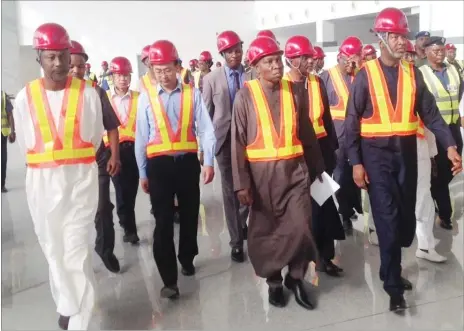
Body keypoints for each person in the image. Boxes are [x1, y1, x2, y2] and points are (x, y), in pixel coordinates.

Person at [345, 8, 461, 311]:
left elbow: (432, 115)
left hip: (406, 156)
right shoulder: (365, 75)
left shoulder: (413, 74)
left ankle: (389, 269)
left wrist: (449, 145)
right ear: (382, 38)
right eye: (395, 36)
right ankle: (394, 286)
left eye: (403, 36)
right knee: (386, 217)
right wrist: (356, 162)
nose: (400, 41)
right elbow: (351, 121)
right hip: (376, 157)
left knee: (405, 220)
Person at [14, 23, 104, 330]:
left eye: (63, 56)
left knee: (76, 250)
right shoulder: (25, 98)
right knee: (54, 251)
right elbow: (26, 138)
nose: (58, 63)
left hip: (79, 182)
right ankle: (67, 304)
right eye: (51, 57)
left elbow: (93, 138)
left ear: (70, 56)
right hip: (42, 186)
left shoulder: (88, 94)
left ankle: (78, 321)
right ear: (39, 57)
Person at [232, 36, 324, 309]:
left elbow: (307, 133)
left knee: (301, 226)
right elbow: (236, 143)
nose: (276, 66)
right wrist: (241, 183)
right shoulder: (244, 95)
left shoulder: (295, 91)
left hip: (295, 173)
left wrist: (318, 169)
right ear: (256, 66)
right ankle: (273, 282)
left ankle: (295, 278)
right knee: (267, 233)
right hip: (261, 180)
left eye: (277, 60)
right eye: (268, 62)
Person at [134, 40, 216, 299]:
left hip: (187, 163)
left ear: (178, 67)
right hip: (158, 166)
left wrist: (210, 161)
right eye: (157, 70)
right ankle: (169, 278)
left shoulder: (193, 93)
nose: (163, 75)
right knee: (163, 221)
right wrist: (142, 172)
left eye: (167, 69)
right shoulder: (146, 98)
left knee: (191, 214)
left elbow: (206, 129)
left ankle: (187, 256)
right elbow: (141, 137)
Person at [284, 35, 345, 276]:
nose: (311, 61)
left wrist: (331, 151)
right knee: (302, 211)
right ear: (291, 60)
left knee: (324, 205)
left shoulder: (317, 83)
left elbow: (326, 120)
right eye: (304, 57)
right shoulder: (284, 86)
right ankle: (300, 262)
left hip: (320, 154)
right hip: (297, 156)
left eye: (311, 57)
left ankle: (324, 257)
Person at [69, 40, 122, 273]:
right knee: (73, 214)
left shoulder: (96, 91)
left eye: (80, 66)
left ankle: (105, 248)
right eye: (71, 65)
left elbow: (111, 126)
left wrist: (115, 156)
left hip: (97, 159)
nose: (75, 70)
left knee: (102, 207)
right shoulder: (57, 96)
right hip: (68, 165)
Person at [202, 30, 250, 263]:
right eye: (230, 51)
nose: (235, 54)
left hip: (251, 140)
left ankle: (241, 223)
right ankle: (236, 241)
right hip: (224, 141)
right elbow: (206, 116)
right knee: (230, 191)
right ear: (222, 53)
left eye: (238, 49)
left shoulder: (251, 76)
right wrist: (206, 150)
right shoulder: (211, 79)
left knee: (249, 186)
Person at [320, 36, 364, 234]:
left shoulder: (360, 76)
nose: (352, 64)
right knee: (335, 176)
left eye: (356, 60)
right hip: (334, 139)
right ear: (340, 57)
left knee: (351, 176)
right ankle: (339, 213)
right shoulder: (326, 77)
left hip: (356, 138)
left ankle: (349, 210)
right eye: (350, 60)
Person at [421, 36, 463, 230]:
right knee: (439, 174)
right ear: (426, 52)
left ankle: (436, 195)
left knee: (452, 168)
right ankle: (444, 213)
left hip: (453, 128)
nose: (440, 53)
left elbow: (459, 94)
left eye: (442, 49)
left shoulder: (453, 70)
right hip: (434, 131)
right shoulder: (422, 73)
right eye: (435, 50)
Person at [107, 57, 141, 244]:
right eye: (119, 75)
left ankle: (126, 219)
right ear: (112, 76)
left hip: (134, 150)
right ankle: (130, 228)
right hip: (114, 151)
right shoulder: (104, 98)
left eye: (126, 75)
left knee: (132, 190)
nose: (123, 79)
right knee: (121, 190)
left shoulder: (138, 97)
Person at [1, 90, 16, 192]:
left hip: (2, 133)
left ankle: (1, 185)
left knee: (2, 159)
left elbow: (10, 114)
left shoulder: (3, 96)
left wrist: (12, 131)